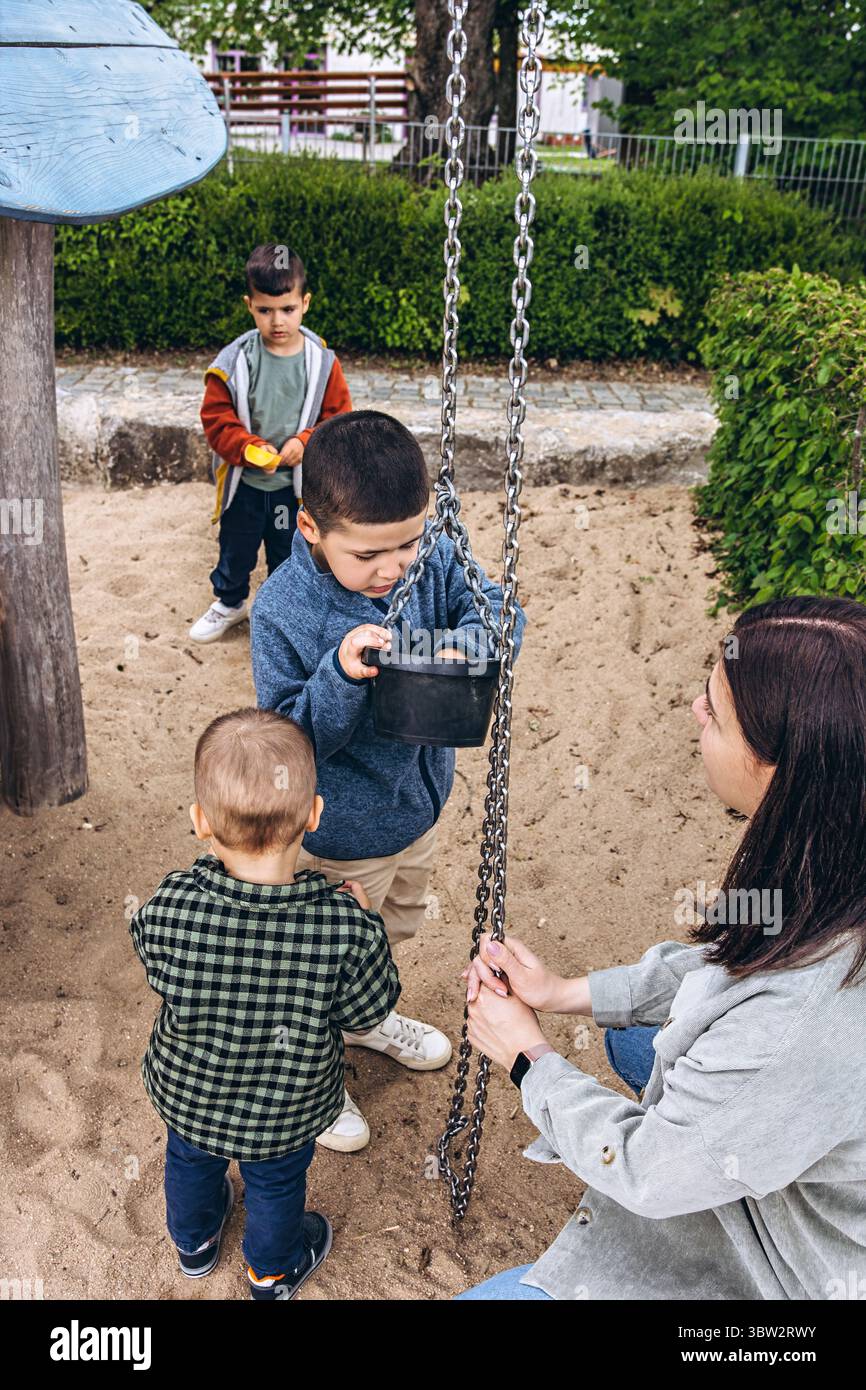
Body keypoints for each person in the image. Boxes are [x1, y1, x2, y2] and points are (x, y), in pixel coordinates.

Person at [458, 595, 866, 1300]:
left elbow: (651, 1172)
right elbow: (729, 969)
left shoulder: (804, 1017)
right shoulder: (833, 853)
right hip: (792, 1124)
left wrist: (531, 1060)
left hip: (785, 1272)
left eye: (715, 709)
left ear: (776, 768)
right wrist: (564, 995)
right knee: (637, 1034)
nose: (695, 712)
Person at [251, 409, 526, 1152]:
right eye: (372, 553)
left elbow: (495, 607)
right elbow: (284, 743)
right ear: (310, 529)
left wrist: (459, 645)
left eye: (408, 540)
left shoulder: (430, 554)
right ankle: (312, 1075)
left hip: (418, 810)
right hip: (341, 833)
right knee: (324, 958)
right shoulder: (284, 611)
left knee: (389, 933)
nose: (396, 565)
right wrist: (340, 674)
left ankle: (367, 1020)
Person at [128, 708, 399, 1300]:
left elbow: (152, 958)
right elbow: (367, 1012)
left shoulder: (172, 904)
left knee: (189, 1164)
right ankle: (270, 1272)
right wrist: (364, 923)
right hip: (287, 1106)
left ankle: (194, 1244)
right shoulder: (341, 929)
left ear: (201, 822)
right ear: (314, 815)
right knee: (276, 1185)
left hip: (190, 1093)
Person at [191, 244, 352, 643]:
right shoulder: (234, 361)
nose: (277, 321)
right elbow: (215, 419)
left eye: (287, 309)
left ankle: (284, 612)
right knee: (236, 548)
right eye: (265, 310)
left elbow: (338, 417)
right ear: (249, 306)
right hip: (245, 487)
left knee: (287, 550)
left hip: (291, 490)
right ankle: (230, 603)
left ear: (305, 303)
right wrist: (246, 448)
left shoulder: (322, 362)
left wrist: (307, 441)